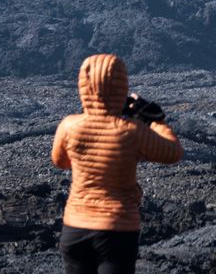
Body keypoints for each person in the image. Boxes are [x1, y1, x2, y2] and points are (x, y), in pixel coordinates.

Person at [52, 53, 184, 274]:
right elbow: (173, 153)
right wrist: (156, 121)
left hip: (75, 226)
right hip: (117, 229)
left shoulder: (69, 126)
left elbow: (61, 161)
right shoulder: (132, 131)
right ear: (121, 86)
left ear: (84, 86)